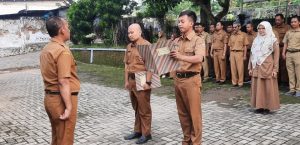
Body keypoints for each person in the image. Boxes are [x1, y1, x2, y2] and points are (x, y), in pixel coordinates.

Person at [40, 17, 80, 145]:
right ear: (62, 30)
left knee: (57, 137)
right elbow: (63, 81)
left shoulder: (47, 48)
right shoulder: (62, 51)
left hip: (50, 98)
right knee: (65, 139)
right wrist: (68, 107)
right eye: (67, 27)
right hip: (61, 100)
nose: (69, 29)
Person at [170, 10, 205, 145]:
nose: (179, 24)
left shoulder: (198, 40)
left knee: (194, 115)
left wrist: (180, 56)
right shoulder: (177, 40)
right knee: (183, 115)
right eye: (178, 22)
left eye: (182, 21)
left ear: (191, 23)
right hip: (178, 80)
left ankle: (196, 142)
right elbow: (169, 56)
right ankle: (186, 140)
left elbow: (199, 58)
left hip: (191, 81)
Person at [123, 23, 153, 144]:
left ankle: (146, 133)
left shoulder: (146, 45)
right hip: (131, 79)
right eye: (129, 32)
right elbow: (126, 64)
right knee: (136, 107)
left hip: (142, 78)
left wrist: (148, 81)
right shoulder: (129, 46)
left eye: (132, 32)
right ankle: (138, 131)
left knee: (144, 108)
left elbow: (151, 66)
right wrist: (126, 81)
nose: (130, 34)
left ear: (140, 32)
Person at [249, 21, 280, 114]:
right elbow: (252, 54)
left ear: (268, 29)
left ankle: (267, 107)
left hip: (268, 66)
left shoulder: (273, 40)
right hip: (256, 67)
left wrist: (275, 69)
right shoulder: (256, 39)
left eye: (263, 28)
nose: (261, 30)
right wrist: (250, 67)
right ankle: (259, 106)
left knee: (267, 86)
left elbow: (276, 55)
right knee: (257, 86)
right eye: (259, 28)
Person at [282, 15, 300, 97]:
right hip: (289, 53)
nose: (293, 23)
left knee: (298, 73)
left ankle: (298, 90)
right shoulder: (288, 32)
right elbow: (285, 43)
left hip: (298, 53)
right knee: (290, 72)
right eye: (292, 22)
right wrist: (283, 53)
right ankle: (292, 89)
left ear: (299, 22)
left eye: (295, 21)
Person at [228, 22, 249, 87]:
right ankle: (234, 82)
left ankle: (240, 83)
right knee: (233, 68)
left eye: (235, 27)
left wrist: (245, 55)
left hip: (240, 52)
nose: (234, 28)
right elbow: (230, 46)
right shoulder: (231, 35)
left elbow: (245, 46)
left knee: (240, 68)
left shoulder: (243, 35)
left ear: (239, 27)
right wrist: (230, 55)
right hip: (232, 53)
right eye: (233, 27)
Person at [273, 13, 290, 85]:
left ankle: (284, 81)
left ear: (282, 19)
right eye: (276, 20)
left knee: (284, 65)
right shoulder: (272, 28)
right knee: (275, 64)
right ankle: (276, 81)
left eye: (279, 20)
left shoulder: (288, 27)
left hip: (283, 48)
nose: (277, 21)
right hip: (275, 48)